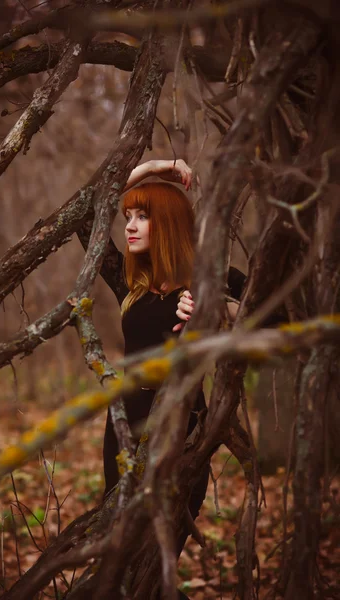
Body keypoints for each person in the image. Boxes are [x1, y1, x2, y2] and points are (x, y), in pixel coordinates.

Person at [102, 159, 245, 598]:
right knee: (121, 550)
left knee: (160, 551)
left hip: (183, 428)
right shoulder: (132, 287)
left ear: (165, 224)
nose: (130, 225)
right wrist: (158, 166)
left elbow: (275, 308)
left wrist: (215, 306)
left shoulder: (205, 278)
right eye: (128, 216)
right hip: (125, 428)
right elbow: (92, 203)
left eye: (143, 216)